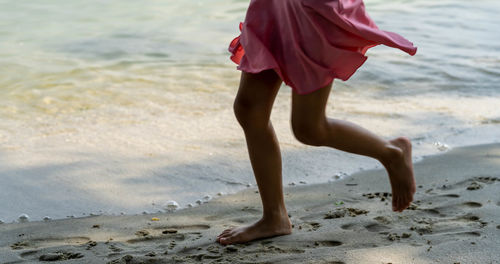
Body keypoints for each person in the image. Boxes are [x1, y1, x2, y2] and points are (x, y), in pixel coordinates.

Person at [216, 0, 417, 245]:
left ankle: (391, 153)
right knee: (249, 109)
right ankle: (274, 217)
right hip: (274, 6)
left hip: (310, 10)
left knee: (309, 128)